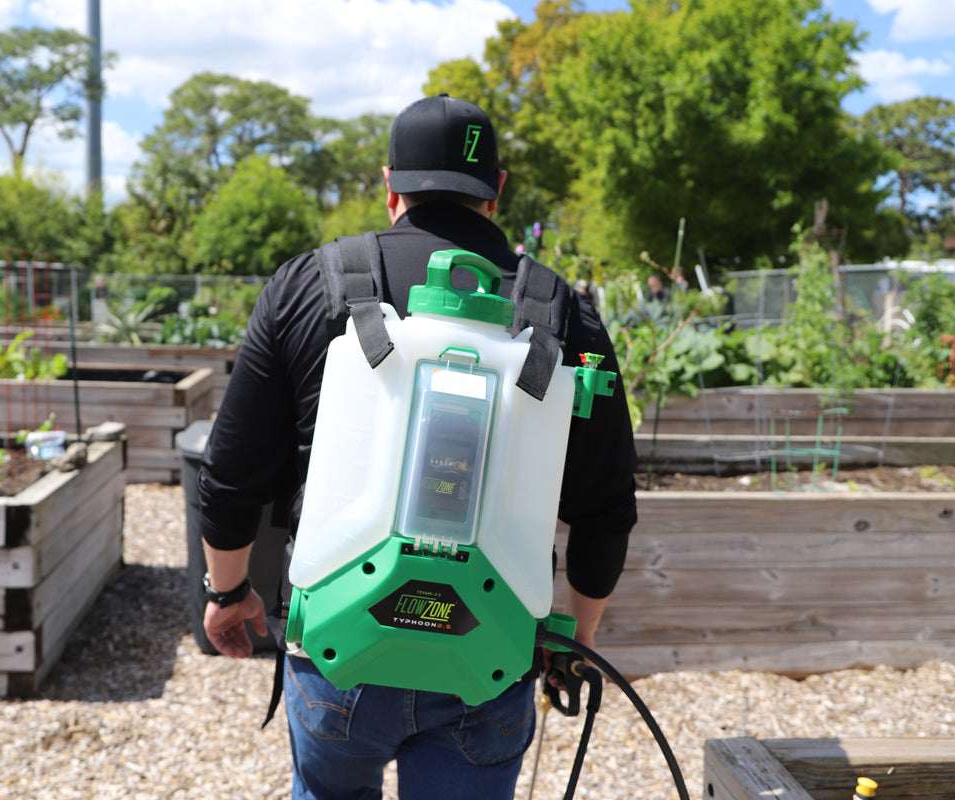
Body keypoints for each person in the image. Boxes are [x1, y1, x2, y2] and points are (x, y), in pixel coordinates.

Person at [195, 94, 637, 800]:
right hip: (488, 654)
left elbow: (229, 473)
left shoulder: (311, 284)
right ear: (495, 192)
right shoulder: (562, 314)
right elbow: (607, 505)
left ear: (389, 183)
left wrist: (228, 591)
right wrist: (567, 641)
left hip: (339, 648)